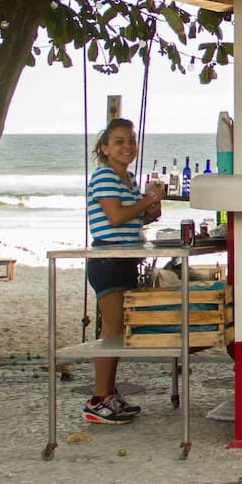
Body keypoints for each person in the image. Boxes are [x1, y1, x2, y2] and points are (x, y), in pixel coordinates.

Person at [83, 118, 162, 424]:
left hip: (125, 257)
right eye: (118, 141)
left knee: (119, 331)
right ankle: (98, 399)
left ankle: (109, 394)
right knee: (112, 331)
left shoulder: (126, 179)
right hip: (108, 259)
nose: (127, 146)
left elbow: (132, 220)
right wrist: (146, 201)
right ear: (104, 149)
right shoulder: (104, 176)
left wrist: (149, 210)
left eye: (130, 140)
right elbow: (114, 217)